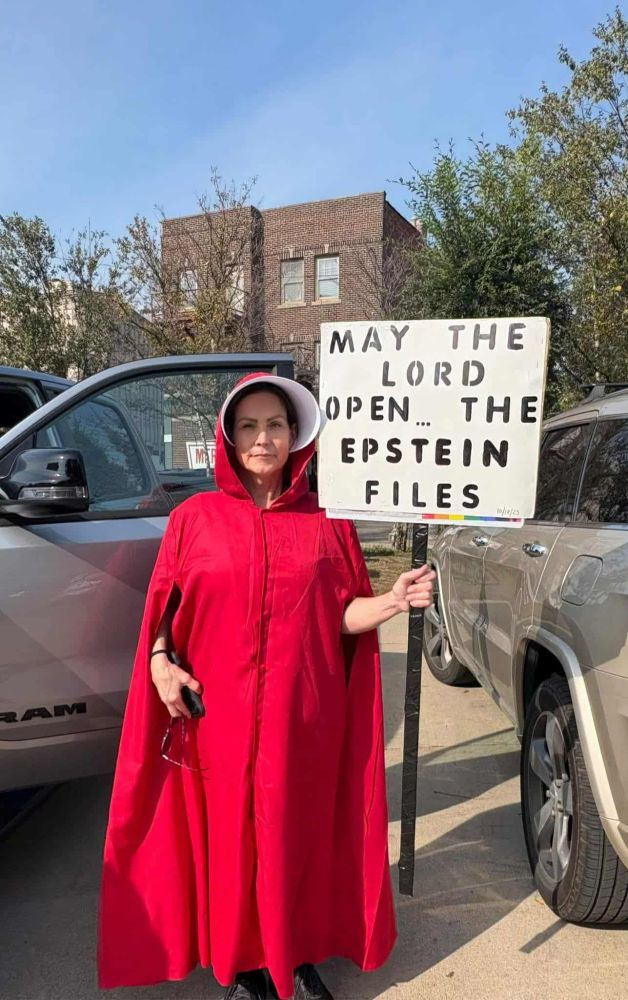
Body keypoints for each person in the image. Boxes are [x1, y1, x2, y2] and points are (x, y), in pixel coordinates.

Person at [98, 372, 435, 1000]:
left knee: (294, 838)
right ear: (229, 436)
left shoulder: (327, 521)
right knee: (230, 841)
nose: (262, 438)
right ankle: (245, 966)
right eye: (248, 425)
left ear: (295, 436)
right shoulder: (193, 519)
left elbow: (342, 613)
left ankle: (295, 957)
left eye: (274, 425)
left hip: (302, 717)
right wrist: (160, 663)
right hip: (218, 721)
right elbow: (162, 619)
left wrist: (389, 602)